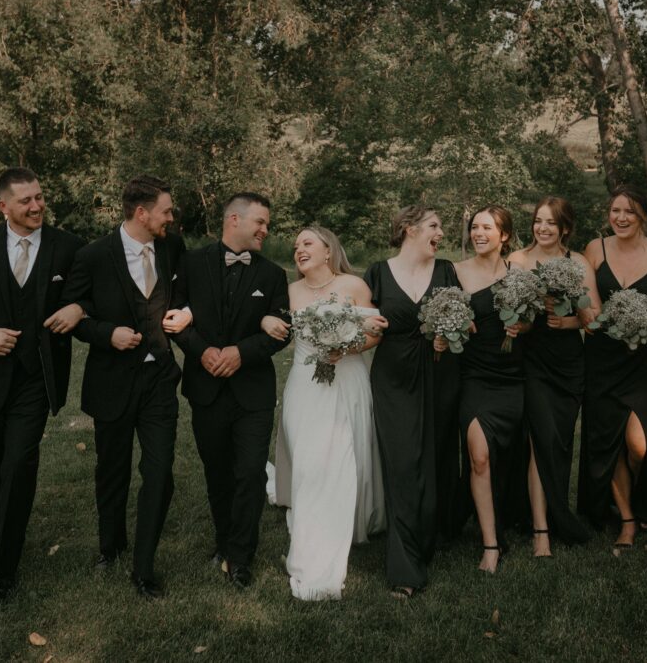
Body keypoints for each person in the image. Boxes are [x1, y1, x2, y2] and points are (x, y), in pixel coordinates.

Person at [0, 167, 86, 601]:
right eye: (26, 200)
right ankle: (7, 534)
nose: (36, 206)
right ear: (3, 206)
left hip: (36, 377)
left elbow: (91, 292)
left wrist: (79, 308)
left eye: (39, 197)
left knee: (19, 463)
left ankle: (4, 567)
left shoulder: (69, 246)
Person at [61, 176, 190, 599]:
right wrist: (107, 334)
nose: (171, 218)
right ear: (141, 213)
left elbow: (185, 294)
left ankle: (143, 566)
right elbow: (74, 316)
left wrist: (185, 313)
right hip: (112, 381)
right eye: (166, 211)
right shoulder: (93, 256)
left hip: (159, 380)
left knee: (160, 471)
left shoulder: (172, 248)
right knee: (112, 471)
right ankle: (111, 546)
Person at [260, 226, 387, 600]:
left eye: (307, 243)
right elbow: (270, 321)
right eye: (296, 246)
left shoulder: (353, 285)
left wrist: (345, 349)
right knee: (311, 460)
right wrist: (265, 321)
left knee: (347, 455)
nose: (299, 249)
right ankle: (314, 528)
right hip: (305, 385)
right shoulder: (290, 292)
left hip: (348, 382)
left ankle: (348, 521)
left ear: (328, 250)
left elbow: (376, 333)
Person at [173, 192, 290, 589]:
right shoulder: (190, 263)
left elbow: (282, 331)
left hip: (253, 393)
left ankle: (241, 556)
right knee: (218, 471)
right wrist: (202, 351)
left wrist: (242, 353)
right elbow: (174, 319)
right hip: (205, 389)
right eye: (260, 222)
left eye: (267, 224)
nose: (265, 230)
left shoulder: (273, 275)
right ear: (234, 220)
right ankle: (224, 541)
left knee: (251, 473)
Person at [363, 205, 460, 598]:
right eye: (434, 225)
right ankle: (405, 565)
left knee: (435, 456)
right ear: (408, 228)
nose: (441, 233)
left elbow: (465, 321)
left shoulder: (446, 271)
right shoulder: (377, 273)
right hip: (392, 379)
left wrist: (449, 335)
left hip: (440, 375)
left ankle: (432, 532)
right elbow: (365, 324)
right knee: (401, 463)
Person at [579, 186, 647, 549]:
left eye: (630, 211)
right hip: (601, 360)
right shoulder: (596, 249)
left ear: (643, 216)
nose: (621, 218)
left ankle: (639, 500)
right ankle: (626, 519)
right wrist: (587, 315)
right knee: (605, 440)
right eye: (615, 210)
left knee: (639, 446)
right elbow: (587, 308)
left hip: (644, 363)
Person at [508, 197, 595, 557]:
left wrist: (568, 319)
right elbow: (511, 310)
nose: (542, 228)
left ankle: (556, 512)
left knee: (559, 442)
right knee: (539, 440)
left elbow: (593, 319)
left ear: (565, 229)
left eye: (551, 223)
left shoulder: (579, 262)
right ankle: (540, 529)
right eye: (538, 221)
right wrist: (525, 318)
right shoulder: (517, 260)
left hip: (569, 363)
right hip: (532, 360)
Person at [447, 206, 527, 573]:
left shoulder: (519, 275)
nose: (478, 233)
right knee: (478, 456)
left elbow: (533, 322)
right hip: (473, 375)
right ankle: (491, 543)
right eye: (474, 227)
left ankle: (504, 514)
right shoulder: (454, 272)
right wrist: (455, 321)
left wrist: (522, 326)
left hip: (513, 375)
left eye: (487, 228)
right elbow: (439, 314)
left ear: (504, 235)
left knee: (506, 456)